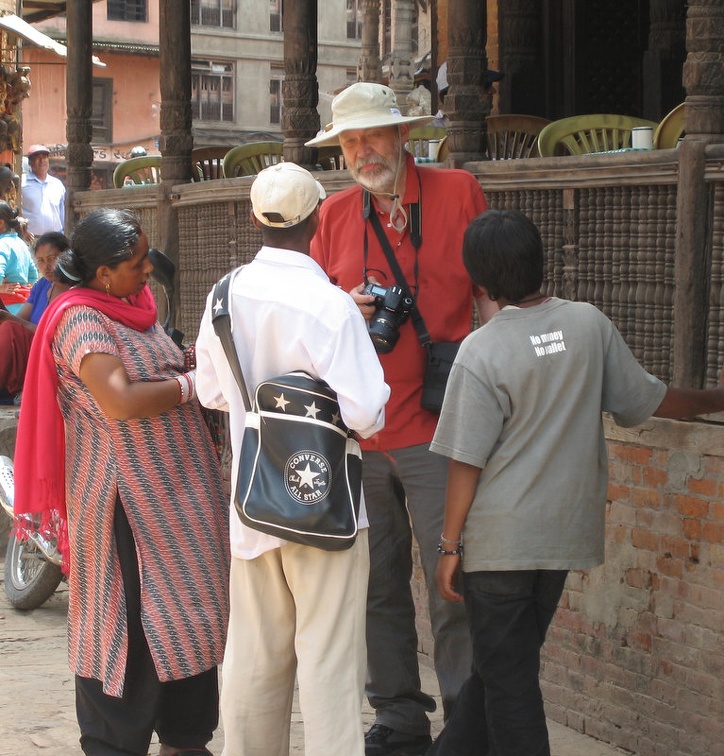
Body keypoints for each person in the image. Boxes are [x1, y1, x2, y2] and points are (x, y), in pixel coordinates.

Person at [428, 208, 724, 756]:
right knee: (501, 671)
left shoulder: (482, 349)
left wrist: (449, 546)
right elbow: (649, 400)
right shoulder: (588, 323)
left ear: (480, 281)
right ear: (540, 263)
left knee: (509, 686)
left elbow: (465, 461)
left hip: (498, 548)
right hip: (561, 537)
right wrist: (714, 399)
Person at [305, 82, 488, 756]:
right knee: (377, 583)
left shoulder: (459, 191)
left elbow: (489, 298)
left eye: (373, 136)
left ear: (403, 135)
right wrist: (338, 311)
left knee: (452, 582)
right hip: (360, 430)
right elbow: (309, 316)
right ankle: (400, 716)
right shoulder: (332, 215)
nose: (362, 151)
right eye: (350, 141)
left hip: (442, 425)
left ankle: (467, 722)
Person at [13, 208, 229, 756]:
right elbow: (120, 399)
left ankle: (185, 737)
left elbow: (153, 366)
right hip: (125, 505)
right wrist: (193, 384)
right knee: (127, 626)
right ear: (102, 273)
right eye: (135, 264)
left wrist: (191, 362)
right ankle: (116, 742)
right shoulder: (82, 320)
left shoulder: (135, 307)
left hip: (178, 499)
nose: (147, 272)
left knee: (189, 614)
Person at [195, 162, 389, 756]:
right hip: (326, 507)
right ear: (318, 218)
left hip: (252, 503)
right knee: (329, 660)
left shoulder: (224, 295)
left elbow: (207, 392)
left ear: (255, 218)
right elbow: (367, 413)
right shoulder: (330, 306)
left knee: (254, 654)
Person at [0, 231, 71, 402]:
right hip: (30, 350)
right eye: (40, 260)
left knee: (9, 329)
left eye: (52, 258)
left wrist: (10, 320)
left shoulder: (74, 289)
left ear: (67, 256)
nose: (46, 266)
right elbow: (20, 320)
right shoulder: (42, 285)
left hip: (52, 356)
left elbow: (55, 336)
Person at [433, 62, 504, 127]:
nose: (493, 91)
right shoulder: (430, 134)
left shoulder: (491, 129)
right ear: (455, 95)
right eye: (485, 87)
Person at [0, 201, 38, 313]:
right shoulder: (21, 243)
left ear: (1, 223)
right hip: (22, 309)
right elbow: (33, 275)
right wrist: (21, 287)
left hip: (4, 310)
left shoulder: (2, 245)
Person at [21, 144, 66, 236]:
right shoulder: (21, 182)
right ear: (30, 162)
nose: (41, 161)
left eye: (44, 157)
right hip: (30, 239)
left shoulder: (57, 184)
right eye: (37, 158)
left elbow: (63, 212)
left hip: (54, 239)